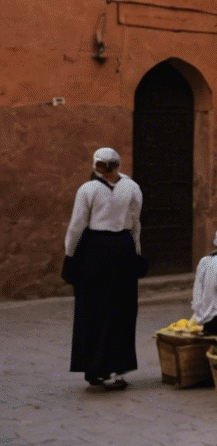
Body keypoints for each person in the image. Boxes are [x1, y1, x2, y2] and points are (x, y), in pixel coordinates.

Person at [62, 147, 143, 391]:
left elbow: (77, 225)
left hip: (96, 251)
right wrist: (137, 254)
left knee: (94, 309)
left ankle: (96, 369)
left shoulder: (88, 189)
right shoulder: (132, 187)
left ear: (98, 165)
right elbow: (135, 224)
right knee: (123, 308)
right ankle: (120, 370)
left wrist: (69, 255)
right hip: (123, 249)